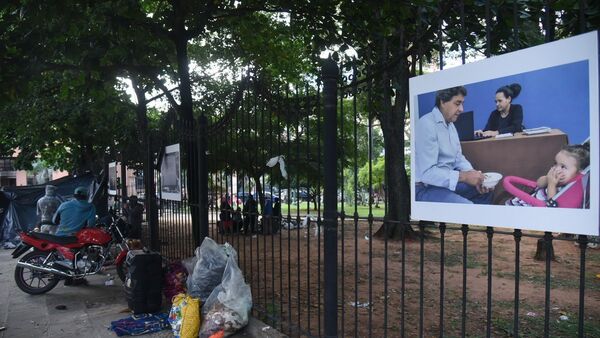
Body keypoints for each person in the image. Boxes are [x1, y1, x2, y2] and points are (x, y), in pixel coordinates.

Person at [415, 86, 494, 204]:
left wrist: (475, 176)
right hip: (425, 187)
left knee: (487, 189)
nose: (461, 109)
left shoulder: (451, 126)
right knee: (467, 206)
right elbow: (427, 174)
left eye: (462, 103)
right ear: (442, 101)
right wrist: (465, 177)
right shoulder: (426, 124)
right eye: (457, 103)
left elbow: (458, 158)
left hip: (446, 184)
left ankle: (477, 221)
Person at [503, 144, 589, 208]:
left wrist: (552, 184)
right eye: (555, 164)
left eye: (563, 167)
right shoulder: (558, 178)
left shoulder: (569, 188)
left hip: (535, 209)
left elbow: (551, 204)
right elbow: (539, 184)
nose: (557, 169)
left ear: (579, 172)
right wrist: (548, 178)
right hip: (527, 201)